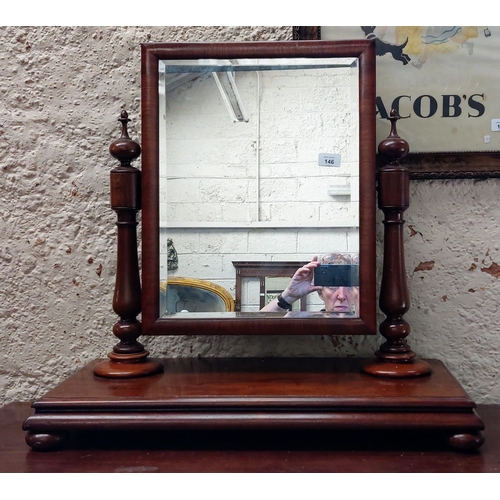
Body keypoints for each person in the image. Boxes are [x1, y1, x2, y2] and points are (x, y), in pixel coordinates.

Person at [260, 256, 359, 314]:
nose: (341, 296)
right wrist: (288, 296)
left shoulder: (368, 326)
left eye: (349, 286)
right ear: (321, 293)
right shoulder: (308, 324)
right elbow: (256, 328)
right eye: (332, 286)